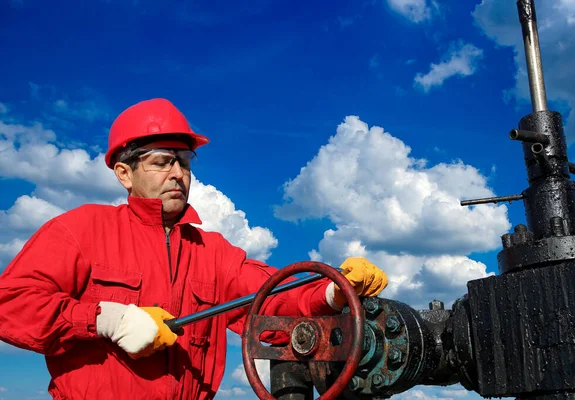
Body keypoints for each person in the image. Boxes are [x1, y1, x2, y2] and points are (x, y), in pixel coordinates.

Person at [0, 98, 388, 400]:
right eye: (162, 162)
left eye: (185, 163)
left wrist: (331, 291)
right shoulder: (80, 230)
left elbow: (269, 298)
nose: (178, 174)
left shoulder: (212, 252)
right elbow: (10, 304)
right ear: (124, 173)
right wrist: (104, 319)